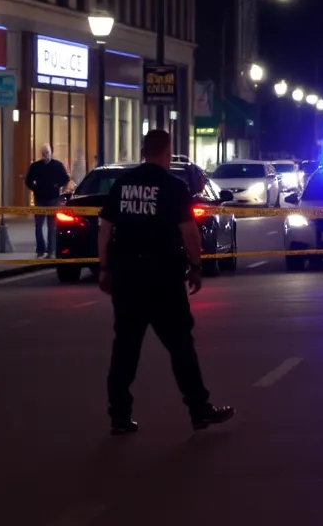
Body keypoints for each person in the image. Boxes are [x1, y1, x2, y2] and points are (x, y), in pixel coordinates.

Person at [97, 129, 233, 435]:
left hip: (127, 278)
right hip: (163, 280)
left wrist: (105, 268)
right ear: (167, 151)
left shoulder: (122, 185)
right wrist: (196, 267)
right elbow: (189, 233)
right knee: (181, 347)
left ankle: (119, 416)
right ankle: (199, 410)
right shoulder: (173, 187)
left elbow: (105, 231)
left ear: (144, 150)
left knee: (125, 349)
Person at [25, 144, 70, 259]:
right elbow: (28, 180)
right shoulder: (35, 166)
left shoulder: (58, 166)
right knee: (38, 226)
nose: (46, 155)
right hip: (40, 199)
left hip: (53, 199)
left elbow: (66, 179)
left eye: (47, 153)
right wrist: (34, 188)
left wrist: (61, 191)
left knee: (52, 226)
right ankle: (40, 250)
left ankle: (51, 250)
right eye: (44, 153)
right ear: (41, 154)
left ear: (51, 153)